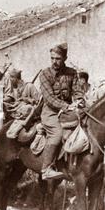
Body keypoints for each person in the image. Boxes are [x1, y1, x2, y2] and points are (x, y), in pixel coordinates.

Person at [38, 43, 83, 180]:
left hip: (69, 111)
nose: (54, 61)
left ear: (65, 58)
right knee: (57, 134)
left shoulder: (72, 73)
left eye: (58, 58)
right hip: (50, 112)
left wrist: (79, 101)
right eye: (52, 58)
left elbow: (78, 91)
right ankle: (46, 169)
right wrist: (65, 106)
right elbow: (49, 98)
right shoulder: (45, 74)